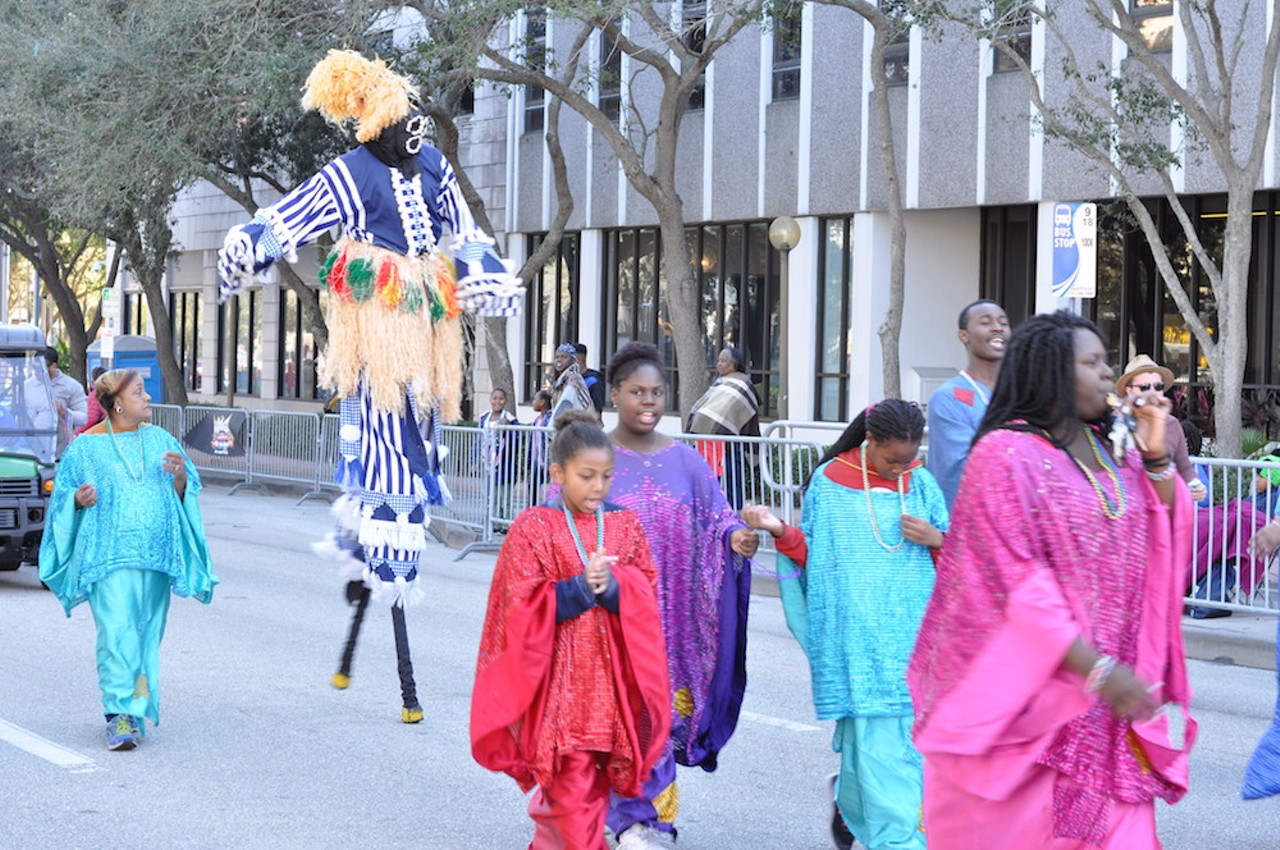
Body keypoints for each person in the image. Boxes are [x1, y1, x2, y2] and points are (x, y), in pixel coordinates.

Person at [908, 311, 1196, 849]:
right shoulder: (1003, 453)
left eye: (1106, 361)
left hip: (1107, 705)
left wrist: (1157, 457)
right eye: (1092, 363)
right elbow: (1014, 582)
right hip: (1037, 703)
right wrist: (1098, 671)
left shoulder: (1115, 452)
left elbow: (1165, 534)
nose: (1109, 375)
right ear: (1050, 373)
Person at [741, 399, 947, 850]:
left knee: (904, 754)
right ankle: (897, 841)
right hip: (858, 647)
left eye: (908, 459)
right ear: (870, 442)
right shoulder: (830, 484)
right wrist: (779, 530)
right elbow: (814, 557)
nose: (900, 469)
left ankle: (851, 806)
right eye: (893, 460)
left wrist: (936, 538)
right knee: (878, 751)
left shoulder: (922, 484)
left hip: (917, 646)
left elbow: (959, 563)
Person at [471, 411, 670, 849]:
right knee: (571, 788)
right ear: (558, 473)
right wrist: (580, 588)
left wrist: (616, 587)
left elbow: (647, 587)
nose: (598, 487)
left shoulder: (625, 524)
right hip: (560, 689)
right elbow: (517, 603)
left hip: (611, 686)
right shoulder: (534, 526)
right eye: (586, 476)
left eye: (606, 476)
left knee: (591, 787)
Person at [602, 342, 760, 849]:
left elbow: (720, 517)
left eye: (657, 392)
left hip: (672, 621)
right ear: (614, 395)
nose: (648, 401)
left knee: (661, 715)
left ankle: (653, 818)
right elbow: (558, 522)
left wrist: (737, 538)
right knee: (617, 717)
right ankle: (623, 815)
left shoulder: (687, 462)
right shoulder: (594, 456)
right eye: (636, 392)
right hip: (609, 616)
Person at [38, 369, 217, 750]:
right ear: (117, 402)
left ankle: (134, 706)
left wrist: (181, 477)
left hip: (155, 558)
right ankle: (117, 715)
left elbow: (188, 489)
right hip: (108, 558)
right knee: (117, 633)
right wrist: (77, 501)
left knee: (144, 636)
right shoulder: (86, 447)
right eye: (139, 392)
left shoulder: (161, 440)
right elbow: (61, 501)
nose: (148, 397)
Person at [926, 299, 1008, 510]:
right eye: (986, 322)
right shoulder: (947, 398)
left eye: (1003, 322)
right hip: (970, 522)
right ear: (964, 335)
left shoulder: (1022, 394)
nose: (997, 327)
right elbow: (964, 468)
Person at [1116, 354, 1206, 502]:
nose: (1152, 393)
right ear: (1129, 390)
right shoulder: (1116, 424)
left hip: (1163, 511)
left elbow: (1185, 468)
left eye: (1158, 386)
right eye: (1144, 387)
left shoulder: (1172, 424)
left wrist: (1195, 486)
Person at [685, 347, 761, 509]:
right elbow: (705, 409)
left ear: (735, 364)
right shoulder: (720, 382)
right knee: (709, 479)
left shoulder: (742, 383)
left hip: (729, 442)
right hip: (709, 440)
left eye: (724, 360)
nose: (719, 364)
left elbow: (732, 412)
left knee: (732, 479)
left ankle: (734, 515)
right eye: (718, 360)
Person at [550, 343, 594, 422]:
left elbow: (566, 403)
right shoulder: (561, 380)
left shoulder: (574, 379)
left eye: (564, 357)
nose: (559, 360)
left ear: (573, 359)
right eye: (557, 357)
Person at [529, 389, 554, 503]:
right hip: (538, 460)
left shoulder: (551, 418)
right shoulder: (537, 420)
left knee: (550, 489)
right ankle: (532, 511)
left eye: (535, 399)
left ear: (542, 402)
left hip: (548, 460)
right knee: (532, 486)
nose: (533, 402)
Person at [76, 365, 108, 436]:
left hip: (98, 434)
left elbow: (91, 419)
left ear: (93, 379)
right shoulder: (111, 393)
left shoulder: (95, 395)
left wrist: (77, 432)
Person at [575, 343, 606, 413]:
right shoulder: (569, 379)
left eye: (566, 358)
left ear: (578, 359)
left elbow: (597, 409)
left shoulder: (592, 381)